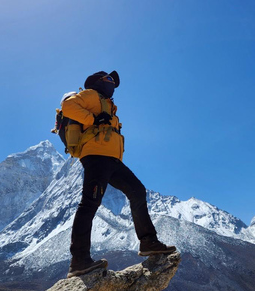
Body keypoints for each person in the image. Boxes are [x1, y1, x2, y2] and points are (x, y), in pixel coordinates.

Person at [62, 70, 176, 278]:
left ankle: (148, 242)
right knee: (89, 204)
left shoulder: (107, 103)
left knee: (137, 191)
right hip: (96, 157)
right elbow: (68, 106)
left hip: (112, 160)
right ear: (98, 82)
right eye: (109, 79)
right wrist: (93, 118)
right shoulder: (90, 95)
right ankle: (78, 260)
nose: (112, 83)